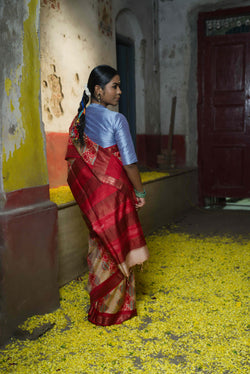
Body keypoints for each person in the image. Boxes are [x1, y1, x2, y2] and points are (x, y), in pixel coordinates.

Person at [65, 65, 149, 326]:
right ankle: (118, 309)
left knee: (100, 244)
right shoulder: (116, 120)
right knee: (118, 245)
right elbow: (130, 164)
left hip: (92, 199)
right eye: (115, 86)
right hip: (115, 195)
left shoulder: (78, 120)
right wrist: (140, 191)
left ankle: (101, 308)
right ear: (99, 91)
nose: (120, 91)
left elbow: (72, 165)